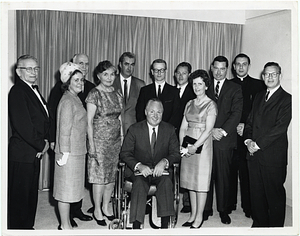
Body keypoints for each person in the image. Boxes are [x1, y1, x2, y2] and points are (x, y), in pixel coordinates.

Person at [48, 53, 94, 227]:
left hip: (76, 151)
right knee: (65, 191)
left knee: (69, 190)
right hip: (69, 154)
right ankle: (65, 225)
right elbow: (64, 129)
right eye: (76, 80)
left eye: (82, 80)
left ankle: (65, 223)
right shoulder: (68, 101)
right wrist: (65, 153)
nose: (81, 83)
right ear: (67, 82)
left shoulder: (74, 98)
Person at [120, 98, 181, 229]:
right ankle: (136, 225)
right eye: (152, 112)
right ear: (146, 112)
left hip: (161, 171)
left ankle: (165, 226)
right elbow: (125, 153)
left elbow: (176, 153)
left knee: (166, 182)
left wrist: (165, 162)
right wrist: (139, 165)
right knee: (139, 184)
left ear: (163, 113)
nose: (155, 115)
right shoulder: (135, 129)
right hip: (139, 172)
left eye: (159, 112)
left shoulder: (169, 129)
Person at [244, 62, 291, 227]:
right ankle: (259, 224)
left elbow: (279, 128)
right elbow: (249, 122)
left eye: (274, 74)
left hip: (272, 157)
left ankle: (276, 228)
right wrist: (248, 140)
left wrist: (257, 144)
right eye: (267, 74)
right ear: (262, 76)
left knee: (274, 195)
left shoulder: (287, 99)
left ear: (280, 76)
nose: (270, 77)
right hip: (253, 154)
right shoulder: (258, 96)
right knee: (256, 193)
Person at [8, 55, 52, 229]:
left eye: (36, 68)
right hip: (22, 153)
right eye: (29, 69)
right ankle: (19, 229)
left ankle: (27, 227)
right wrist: (42, 144)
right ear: (19, 72)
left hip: (33, 151)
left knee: (30, 194)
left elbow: (43, 119)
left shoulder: (32, 89)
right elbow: (23, 125)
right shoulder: (18, 91)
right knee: (20, 197)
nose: (34, 72)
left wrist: (46, 139)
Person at [204, 56, 243, 225]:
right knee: (205, 175)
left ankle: (223, 210)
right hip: (206, 138)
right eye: (216, 68)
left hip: (224, 140)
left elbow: (236, 114)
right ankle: (205, 209)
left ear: (227, 69)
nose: (219, 72)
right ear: (211, 68)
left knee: (223, 177)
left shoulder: (235, 88)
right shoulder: (203, 86)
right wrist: (210, 131)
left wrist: (223, 131)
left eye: (222, 69)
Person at [228, 53, 266, 218]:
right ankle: (228, 205)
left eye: (244, 64)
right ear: (234, 67)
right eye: (238, 64)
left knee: (247, 172)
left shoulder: (258, 85)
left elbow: (259, 110)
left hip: (248, 134)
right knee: (229, 171)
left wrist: (245, 124)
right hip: (229, 134)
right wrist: (234, 124)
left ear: (248, 66)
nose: (241, 67)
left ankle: (248, 206)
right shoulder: (227, 84)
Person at [86, 60, 123, 226]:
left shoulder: (117, 93)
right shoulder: (94, 94)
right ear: (98, 75)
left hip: (115, 141)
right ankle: (97, 210)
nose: (109, 77)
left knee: (111, 177)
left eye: (112, 74)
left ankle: (107, 207)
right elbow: (88, 122)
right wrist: (92, 146)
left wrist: (122, 138)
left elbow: (120, 117)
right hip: (99, 142)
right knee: (99, 177)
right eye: (105, 74)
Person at [179, 70, 217, 228]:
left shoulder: (211, 105)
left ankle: (199, 217)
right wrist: (184, 146)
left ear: (206, 85)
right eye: (194, 83)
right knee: (190, 182)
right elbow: (183, 127)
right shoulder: (189, 103)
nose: (196, 87)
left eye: (200, 84)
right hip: (188, 145)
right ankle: (193, 214)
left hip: (202, 145)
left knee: (200, 183)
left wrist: (195, 147)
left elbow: (208, 130)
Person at [174, 62, 196, 213]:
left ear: (189, 75)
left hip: (188, 135)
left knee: (188, 167)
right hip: (171, 134)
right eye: (178, 73)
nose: (181, 76)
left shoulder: (194, 92)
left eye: (184, 73)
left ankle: (187, 202)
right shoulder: (169, 90)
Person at [135, 59, 180, 128]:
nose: (159, 73)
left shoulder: (174, 91)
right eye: (156, 70)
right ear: (152, 72)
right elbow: (140, 113)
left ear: (165, 71)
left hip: (167, 131)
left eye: (161, 70)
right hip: (148, 130)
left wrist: (166, 129)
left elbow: (176, 115)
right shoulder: (144, 90)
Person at [113, 52, 145, 135]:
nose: (129, 67)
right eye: (126, 64)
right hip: (113, 131)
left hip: (133, 131)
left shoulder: (140, 85)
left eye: (132, 64)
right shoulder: (111, 82)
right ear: (120, 64)